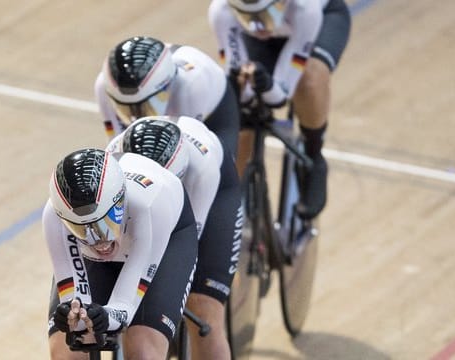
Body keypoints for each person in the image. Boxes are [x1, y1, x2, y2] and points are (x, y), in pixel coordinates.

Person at [106, 115, 242, 360]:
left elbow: (190, 247)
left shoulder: (201, 170)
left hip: (209, 200)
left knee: (204, 308)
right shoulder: (113, 162)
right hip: (139, 212)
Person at [44, 148, 199, 359]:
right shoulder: (53, 218)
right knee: (67, 353)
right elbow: (75, 306)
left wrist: (105, 317)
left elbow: (124, 307)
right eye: (81, 230)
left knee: (143, 351)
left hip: (165, 239)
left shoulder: (148, 207)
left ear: (121, 202)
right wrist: (72, 316)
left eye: (105, 224)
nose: (99, 241)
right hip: (99, 256)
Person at [208, 0, 352, 219]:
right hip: (271, 33)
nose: (260, 27)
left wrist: (265, 84)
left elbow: (281, 95)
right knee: (242, 115)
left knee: (309, 81)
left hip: (319, 22)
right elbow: (237, 75)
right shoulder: (221, 10)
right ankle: (229, 205)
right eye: (250, 18)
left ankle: (313, 158)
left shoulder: (306, 8)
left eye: (264, 16)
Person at [94, 35, 240, 158]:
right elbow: (116, 148)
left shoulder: (189, 88)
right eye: (125, 108)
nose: (136, 116)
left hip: (215, 108)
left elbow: (188, 153)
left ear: (165, 87)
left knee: (220, 162)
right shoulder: (103, 87)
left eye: (146, 107)